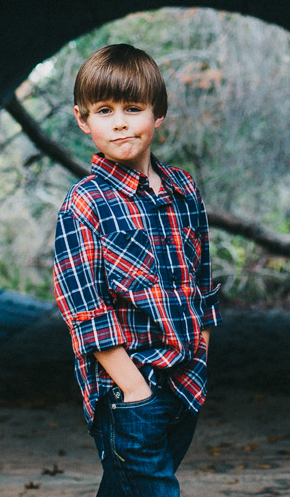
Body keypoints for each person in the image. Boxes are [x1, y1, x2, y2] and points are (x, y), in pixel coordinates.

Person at [52, 43, 220, 497]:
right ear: (83, 120)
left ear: (158, 114)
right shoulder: (85, 204)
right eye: (104, 110)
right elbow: (84, 310)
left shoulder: (183, 189)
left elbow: (201, 281)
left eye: (133, 108)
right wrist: (135, 391)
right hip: (126, 393)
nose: (120, 121)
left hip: (185, 383)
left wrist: (201, 354)